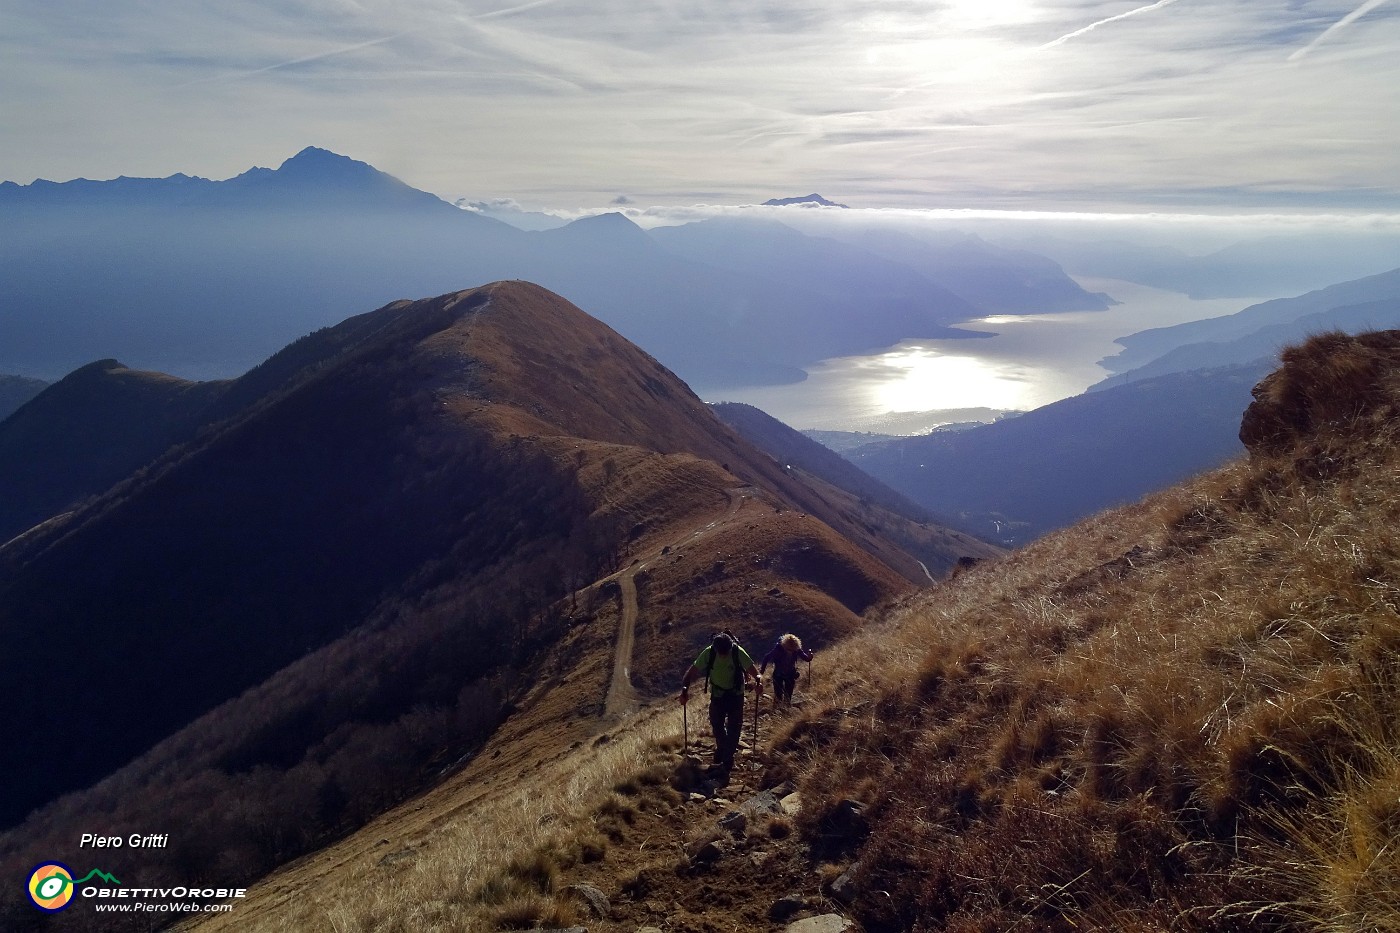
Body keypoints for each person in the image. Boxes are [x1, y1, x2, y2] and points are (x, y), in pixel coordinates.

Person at [680, 631, 762, 772]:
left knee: (734, 727)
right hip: (718, 695)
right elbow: (690, 674)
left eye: (726, 652)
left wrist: (759, 681)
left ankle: (727, 758)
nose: (723, 655)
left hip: (736, 694)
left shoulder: (737, 652)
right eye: (720, 653)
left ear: (731, 647)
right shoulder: (709, 653)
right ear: (715, 649)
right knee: (717, 725)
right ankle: (724, 749)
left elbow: (755, 672)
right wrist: (684, 691)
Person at [760, 633, 813, 706]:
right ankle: (779, 710)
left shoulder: (796, 648)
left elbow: (806, 658)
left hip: (789, 673)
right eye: (788, 649)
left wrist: (810, 657)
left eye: (792, 650)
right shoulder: (779, 648)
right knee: (778, 694)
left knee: (788, 695)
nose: (790, 651)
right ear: (784, 646)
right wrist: (762, 671)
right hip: (779, 673)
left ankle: (785, 709)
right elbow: (767, 657)